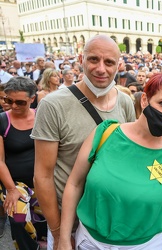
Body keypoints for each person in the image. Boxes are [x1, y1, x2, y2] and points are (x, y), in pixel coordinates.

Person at [58, 73, 162, 249]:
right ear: (144, 100)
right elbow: (74, 184)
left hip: (146, 245)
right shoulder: (105, 134)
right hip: (91, 242)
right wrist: (64, 238)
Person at [31, 35, 136, 250]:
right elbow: (42, 176)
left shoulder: (125, 102)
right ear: (81, 59)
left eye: (109, 62)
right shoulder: (53, 105)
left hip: (109, 222)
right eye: (93, 59)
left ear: (118, 65)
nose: (101, 69)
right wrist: (59, 232)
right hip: (68, 223)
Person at [0, 77, 46, 249]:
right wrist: (11, 189)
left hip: (42, 181)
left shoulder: (42, 116)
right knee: (18, 220)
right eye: (8, 100)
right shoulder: (3, 120)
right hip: (15, 184)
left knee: (42, 220)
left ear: (32, 99)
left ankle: (42, 243)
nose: (13, 106)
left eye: (20, 102)